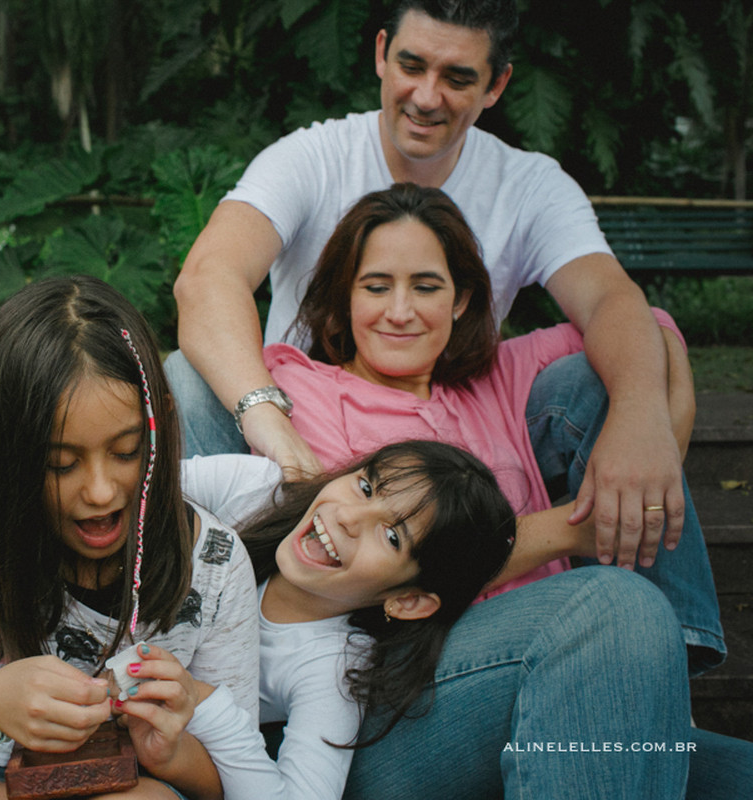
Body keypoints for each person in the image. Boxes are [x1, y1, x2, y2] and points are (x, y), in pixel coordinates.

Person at [169, 0, 688, 579]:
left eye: (457, 77)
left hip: (464, 431)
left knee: (619, 373)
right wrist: (266, 416)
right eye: (412, 66)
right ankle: (205, 601)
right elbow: (208, 276)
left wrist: (645, 425)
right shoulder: (313, 158)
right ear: (381, 55)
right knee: (188, 378)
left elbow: (616, 302)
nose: (425, 95)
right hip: (298, 446)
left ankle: (671, 635)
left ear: (497, 85)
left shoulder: (529, 184)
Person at [255, 181, 721, 672]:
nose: (399, 311)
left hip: (569, 634)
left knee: (614, 373)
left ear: (461, 299)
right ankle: (666, 663)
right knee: (608, 599)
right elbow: (382, 564)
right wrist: (575, 530)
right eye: (375, 287)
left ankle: (678, 654)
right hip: (444, 660)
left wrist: (650, 430)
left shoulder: (491, 378)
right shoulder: (306, 388)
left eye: (426, 286)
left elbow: (643, 320)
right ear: (346, 296)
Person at [0, 275, 261, 799]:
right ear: (12, 457)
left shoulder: (215, 566)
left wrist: (171, 752)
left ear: (162, 430)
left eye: (127, 452)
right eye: (60, 463)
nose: (101, 492)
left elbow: (244, 778)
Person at [184, 440, 518, 800]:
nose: (347, 516)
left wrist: (210, 709)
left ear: (408, 600)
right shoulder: (257, 488)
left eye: (391, 537)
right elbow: (131, 486)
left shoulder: (331, 667)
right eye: (366, 487)